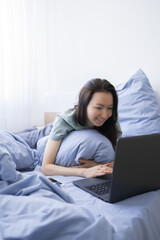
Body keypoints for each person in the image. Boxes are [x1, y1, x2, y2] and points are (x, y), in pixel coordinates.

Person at [41, 78, 122, 178]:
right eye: (99, 108)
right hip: (47, 134)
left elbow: (118, 160)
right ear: (84, 105)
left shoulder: (111, 119)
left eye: (110, 108)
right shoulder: (64, 121)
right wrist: (83, 172)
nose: (105, 115)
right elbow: (46, 168)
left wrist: (96, 166)